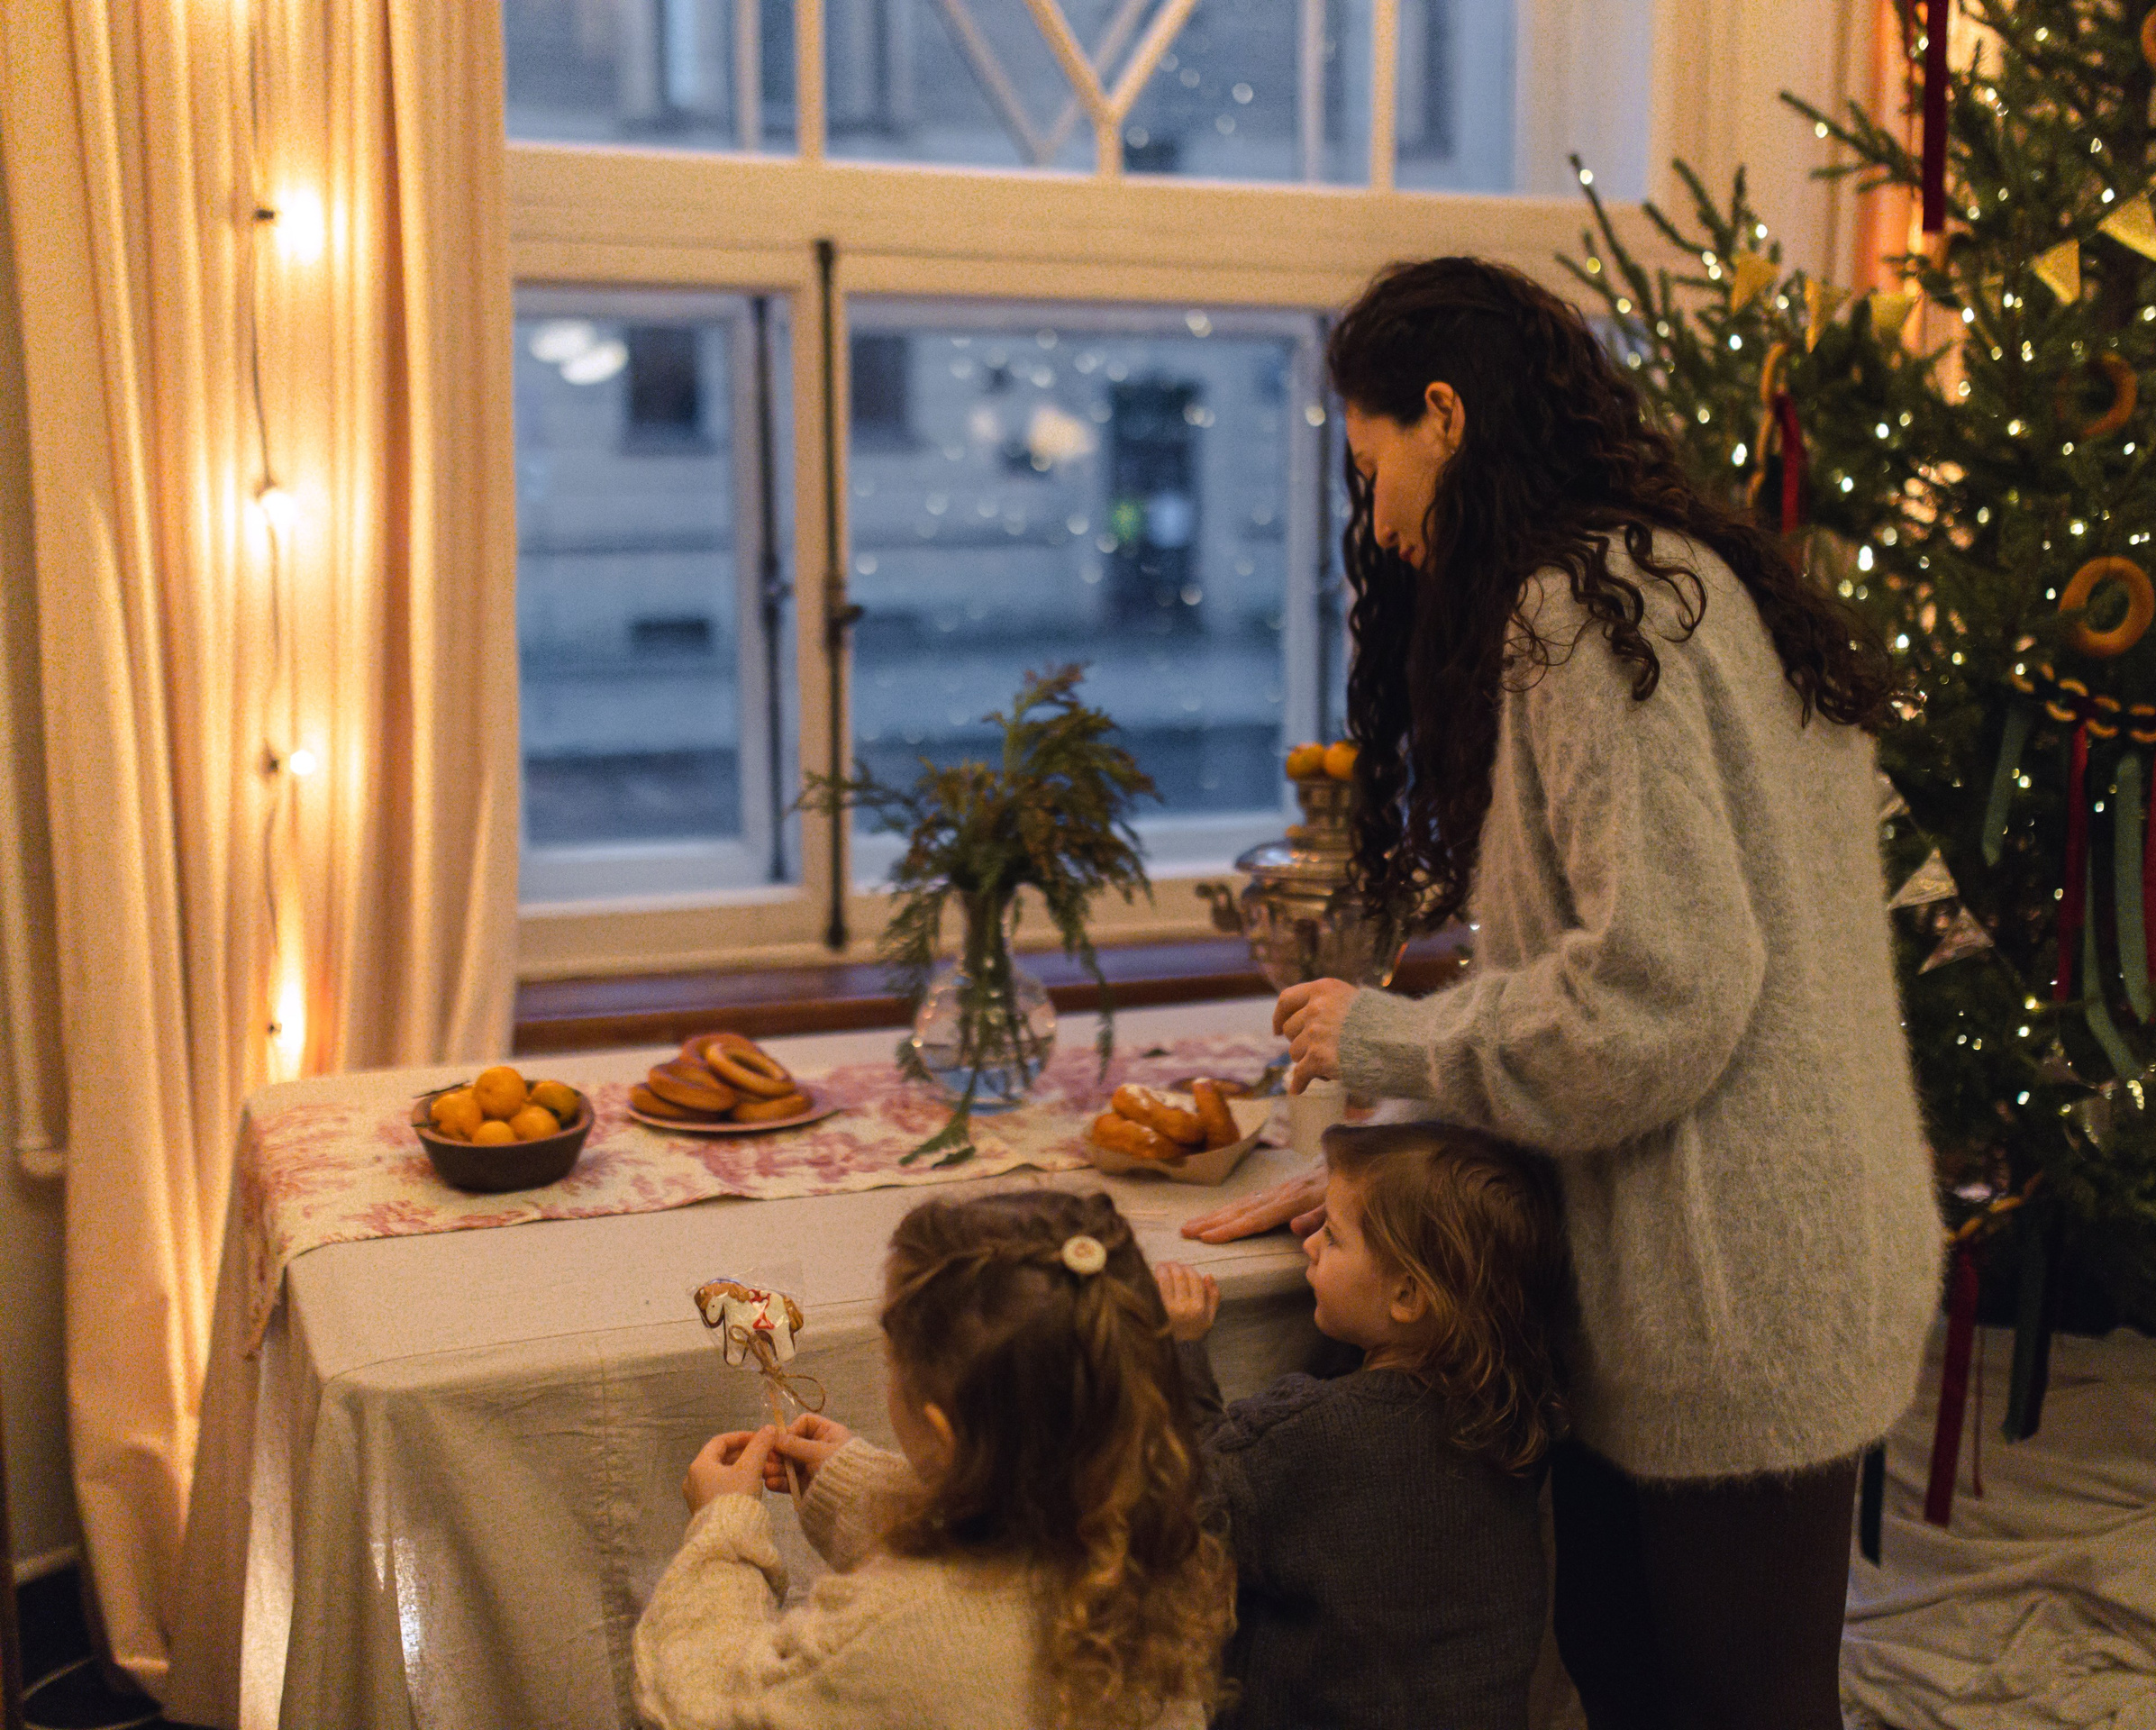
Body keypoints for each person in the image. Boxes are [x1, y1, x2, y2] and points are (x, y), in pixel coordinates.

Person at [1182, 256, 1944, 1730]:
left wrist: (1381, 1031)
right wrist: (1390, 1165)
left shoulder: (1580, 618)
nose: (1379, 519)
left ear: (1445, 416)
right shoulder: (1682, 579)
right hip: (1783, 1253)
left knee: (1715, 1699)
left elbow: (1661, 995)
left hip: (1729, 1288)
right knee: (1667, 1673)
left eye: (1372, 461)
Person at [632, 1189, 1231, 1730]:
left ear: (943, 1430)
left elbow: (708, 1704)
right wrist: (856, 1486)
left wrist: (721, 1534)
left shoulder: (892, 1633)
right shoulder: (1137, 1546)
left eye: (892, 1358)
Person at [1158, 1120, 1572, 1730]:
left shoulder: (1314, 1435)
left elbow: (1185, 1499)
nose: (1308, 1244)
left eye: (1333, 1234)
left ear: (1407, 1297)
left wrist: (1181, 1350)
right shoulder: (1518, 1414)